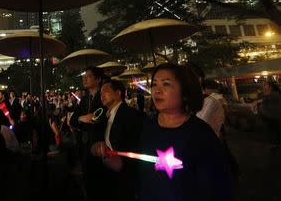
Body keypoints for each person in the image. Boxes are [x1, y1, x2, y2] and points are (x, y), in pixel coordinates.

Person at [138, 63, 233, 200]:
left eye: (166, 84)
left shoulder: (200, 134)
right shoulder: (148, 126)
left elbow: (217, 186)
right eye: (154, 84)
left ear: (185, 91)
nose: (157, 90)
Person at [91, 79, 143, 200]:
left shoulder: (131, 115)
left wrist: (122, 164)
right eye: (100, 93)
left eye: (105, 91)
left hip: (126, 177)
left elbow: (137, 146)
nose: (101, 95)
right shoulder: (103, 116)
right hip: (108, 175)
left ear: (118, 93)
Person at [69, 66, 107, 201]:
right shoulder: (85, 99)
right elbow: (73, 120)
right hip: (85, 143)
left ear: (98, 80)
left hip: (100, 143)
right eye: (84, 76)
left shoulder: (103, 97)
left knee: (99, 179)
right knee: (88, 177)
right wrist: (82, 118)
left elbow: (97, 120)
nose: (84, 78)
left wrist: (84, 120)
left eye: (89, 76)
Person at [252, 81, 281, 146]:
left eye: (265, 85)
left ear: (270, 87)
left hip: (275, 117)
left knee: (276, 132)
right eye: (263, 85)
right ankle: (273, 144)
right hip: (266, 117)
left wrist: (259, 100)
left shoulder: (275, 94)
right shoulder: (262, 94)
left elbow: (268, 98)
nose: (263, 86)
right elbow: (261, 99)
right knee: (270, 132)